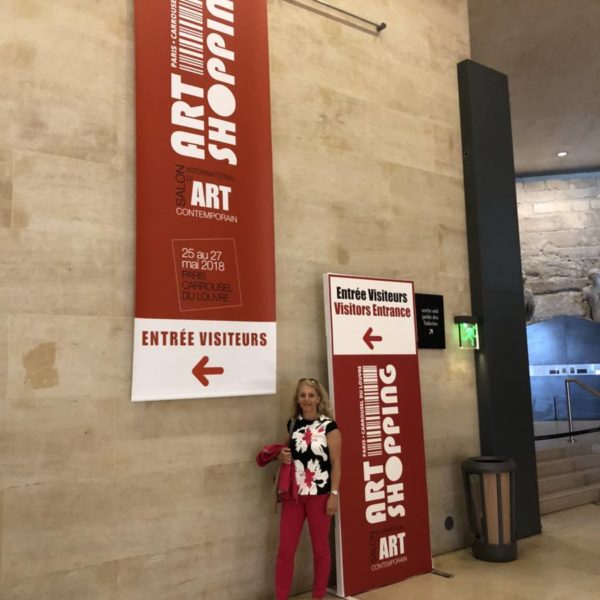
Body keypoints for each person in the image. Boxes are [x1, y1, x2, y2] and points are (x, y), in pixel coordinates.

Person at [275, 378, 342, 600]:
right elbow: (287, 451)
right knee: (285, 550)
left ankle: (318, 596)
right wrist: (281, 456)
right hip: (294, 495)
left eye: (311, 395)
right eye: (302, 395)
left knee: (320, 550)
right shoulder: (292, 424)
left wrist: (334, 495)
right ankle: (281, 596)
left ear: (318, 398)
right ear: (298, 398)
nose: (306, 399)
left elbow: (336, 463)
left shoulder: (329, 426)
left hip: (320, 495)